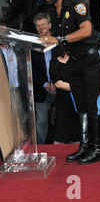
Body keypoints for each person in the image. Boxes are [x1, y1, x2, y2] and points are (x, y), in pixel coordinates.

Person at [38, 0, 100, 164]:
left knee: (94, 104)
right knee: (81, 105)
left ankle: (99, 148)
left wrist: (59, 39)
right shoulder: (53, 10)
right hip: (73, 62)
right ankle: (85, 146)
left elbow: (86, 30)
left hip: (91, 60)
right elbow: (57, 37)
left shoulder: (77, 3)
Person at [31, 12, 56, 144]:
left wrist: (56, 83)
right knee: (41, 122)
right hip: (41, 89)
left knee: (63, 120)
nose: (41, 28)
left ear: (50, 25)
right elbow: (30, 70)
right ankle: (40, 149)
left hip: (60, 88)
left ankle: (64, 147)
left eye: (44, 24)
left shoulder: (59, 44)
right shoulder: (32, 47)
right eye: (38, 26)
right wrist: (45, 84)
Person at [49, 50, 80, 144]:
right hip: (62, 103)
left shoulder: (78, 60)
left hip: (78, 102)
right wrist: (79, 87)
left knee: (78, 134)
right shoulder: (54, 61)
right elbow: (58, 84)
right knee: (60, 135)